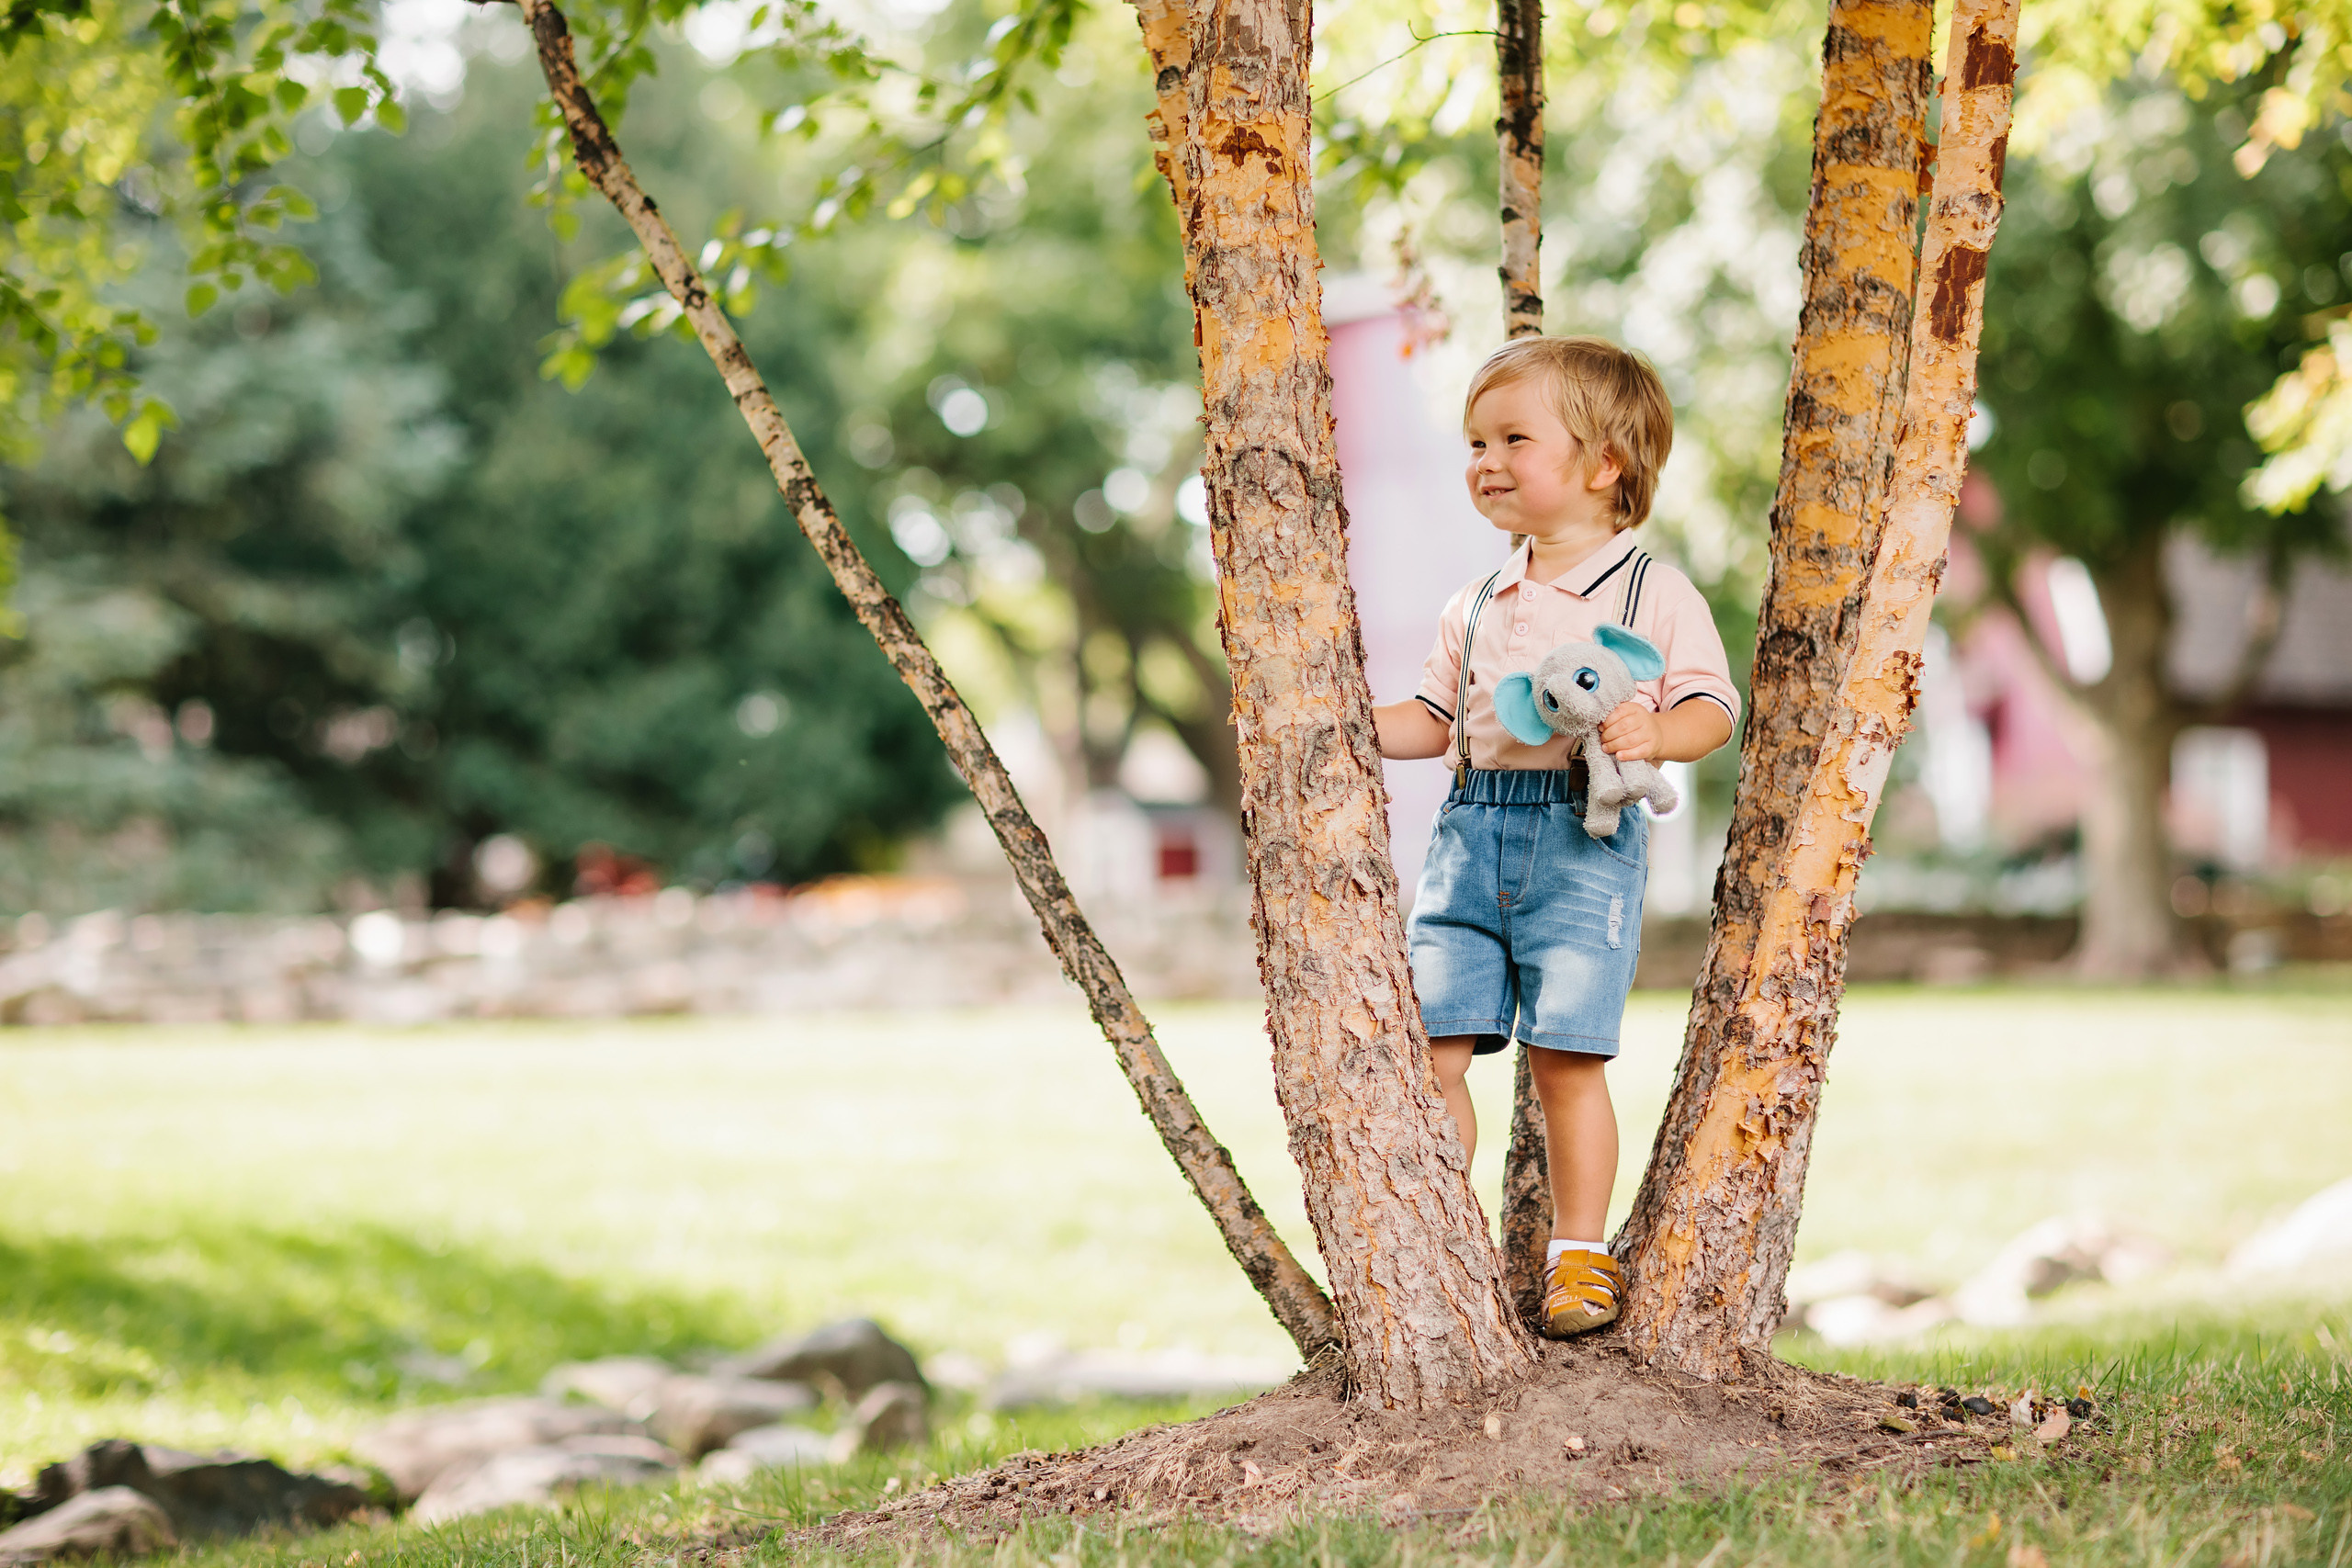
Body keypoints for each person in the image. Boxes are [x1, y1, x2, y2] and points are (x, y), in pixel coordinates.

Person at [1373, 335, 1740, 1338]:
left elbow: (1713, 706)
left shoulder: (1648, 592)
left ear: (1601, 464)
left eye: (1511, 439)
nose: (1483, 460)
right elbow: (1433, 721)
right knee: (1437, 1047)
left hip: (1584, 837)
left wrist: (1656, 732)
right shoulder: (1478, 600)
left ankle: (1578, 1258)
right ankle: (1442, 1243)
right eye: (1475, 441)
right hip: (1470, 833)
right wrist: (1345, 727)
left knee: (1564, 1060)